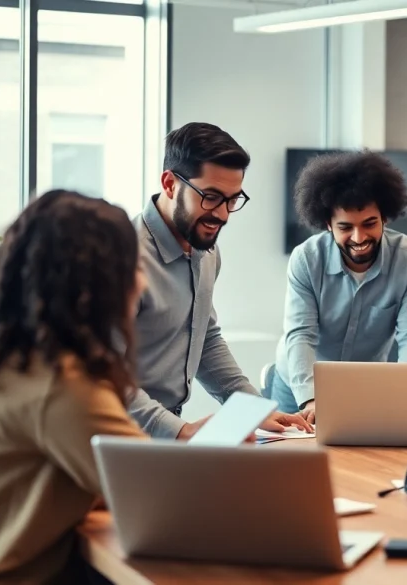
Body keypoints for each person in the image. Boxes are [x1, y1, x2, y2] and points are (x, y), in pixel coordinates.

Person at [0, 191, 148, 584]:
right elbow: (162, 502)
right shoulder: (60, 385)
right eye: (133, 267)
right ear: (97, 285)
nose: (142, 282)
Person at [128, 122, 310, 439]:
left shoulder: (206, 251)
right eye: (211, 197)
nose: (223, 214)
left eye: (232, 199)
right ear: (170, 184)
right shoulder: (123, 259)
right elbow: (101, 376)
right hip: (115, 436)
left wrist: (254, 408)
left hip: (163, 437)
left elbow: (205, 339)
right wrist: (180, 430)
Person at [271, 150, 407, 423]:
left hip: (364, 387)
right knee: (289, 462)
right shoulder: (306, 259)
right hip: (298, 385)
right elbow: (300, 334)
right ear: (327, 224)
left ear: (385, 218)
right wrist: (310, 399)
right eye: (345, 227)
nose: (359, 237)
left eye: (369, 224)